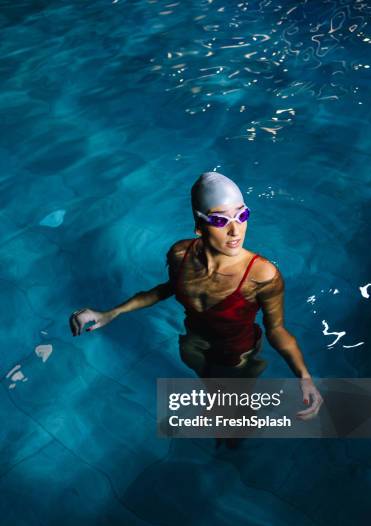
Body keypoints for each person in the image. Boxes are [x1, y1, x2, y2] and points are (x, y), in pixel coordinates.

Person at [69, 172, 323, 422]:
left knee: (236, 411)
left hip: (236, 354)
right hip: (192, 345)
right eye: (221, 221)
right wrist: (109, 313)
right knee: (213, 389)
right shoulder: (180, 255)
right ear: (199, 226)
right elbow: (166, 289)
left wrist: (304, 377)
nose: (236, 231)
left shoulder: (262, 274)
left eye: (242, 215)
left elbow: (276, 330)